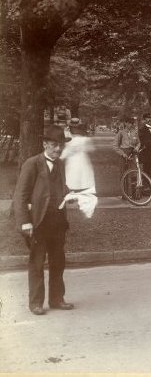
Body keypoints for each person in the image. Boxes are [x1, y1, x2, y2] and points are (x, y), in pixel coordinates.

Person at [12, 125, 75, 315]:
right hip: (38, 223)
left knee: (58, 261)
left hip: (57, 222)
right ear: (45, 144)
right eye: (54, 145)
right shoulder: (32, 164)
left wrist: (71, 195)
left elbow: (61, 189)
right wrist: (25, 222)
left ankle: (57, 299)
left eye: (61, 146)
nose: (58, 149)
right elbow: (20, 196)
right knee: (37, 262)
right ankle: (36, 303)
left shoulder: (61, 165)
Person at [113, 117, 138, 198]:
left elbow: (139, 142)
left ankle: (134, 194)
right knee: (124, 174)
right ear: (126, 123)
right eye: (129, 123)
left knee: (134, 173)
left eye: (132, 123)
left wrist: (137, 147)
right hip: (123, 154)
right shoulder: (121, 133)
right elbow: (115, 146)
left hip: (132, 153)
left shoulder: (135, 132)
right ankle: (125, 194)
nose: (130, 125)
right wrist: (123, 154)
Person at [138, 113, 151, 183]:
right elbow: (143, 141)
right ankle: (146, 190)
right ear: (144, 120)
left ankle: (150, 190)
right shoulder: (142, 130)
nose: (150, 119)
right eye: (147, 118)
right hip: (147, 155)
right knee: (147, 173)